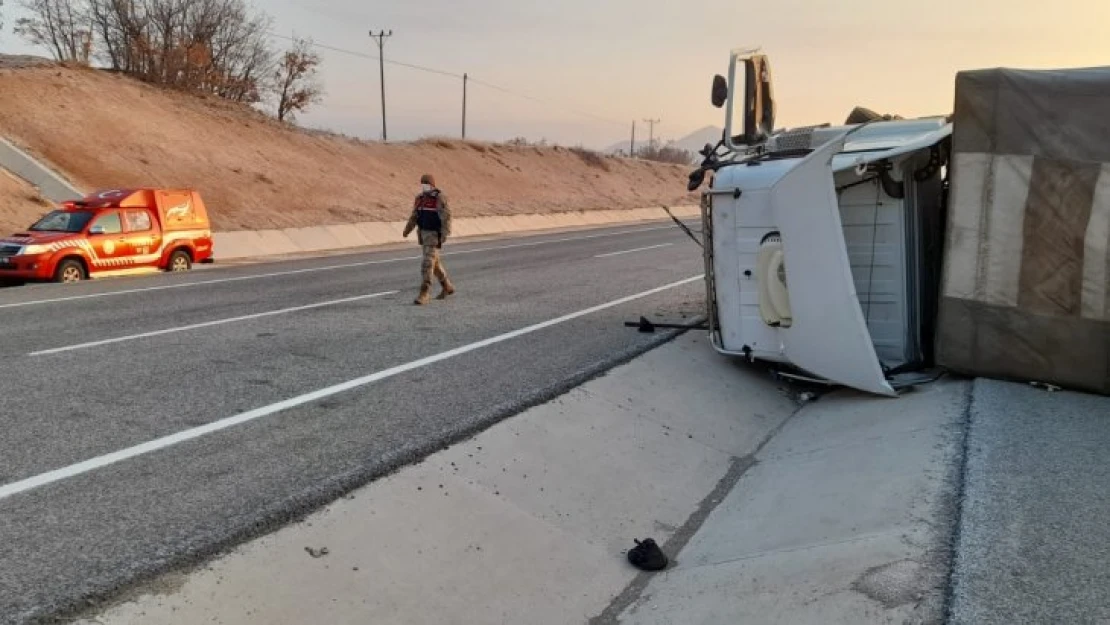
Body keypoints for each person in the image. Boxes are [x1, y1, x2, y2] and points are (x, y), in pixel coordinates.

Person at [403, 174, 455, 305]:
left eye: (426, 183)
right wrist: (407, 230)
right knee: (434, 264)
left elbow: (446, 218)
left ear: (432, 184)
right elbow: (414, 216)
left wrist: (443, 236)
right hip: (423, 235)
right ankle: (447, 286)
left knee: (427, 264)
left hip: (433, 236)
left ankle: (424, 293)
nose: (424, 185)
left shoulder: (439, 198)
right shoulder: (419, 198)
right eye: (422, 183)